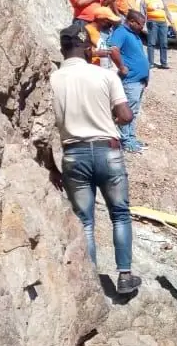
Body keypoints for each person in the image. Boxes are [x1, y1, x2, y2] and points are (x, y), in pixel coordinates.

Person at [49, 26, 140, 295]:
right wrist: (107, 119)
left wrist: (51, 166)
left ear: (62, 49)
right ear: (89, 48)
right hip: (107, 150)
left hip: (73, 154)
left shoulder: (53, 80)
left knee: (84, 220)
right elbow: (125, 115)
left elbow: (45, 127)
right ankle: (124, 275)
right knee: (120, 214)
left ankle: (90, 281)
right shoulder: (104, 75)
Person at [107, 10, 150, 153]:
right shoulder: (121, 32)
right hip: (130, 80)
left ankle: (131, 138)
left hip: (139, 80)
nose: (142, 27)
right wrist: (121, 66)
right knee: (127, 112)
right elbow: (113, 49)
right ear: (131, 22)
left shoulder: (135, 35)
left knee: (134, 111)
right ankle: (126, 141)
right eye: (140, 24)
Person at [138, 0, 174, 69]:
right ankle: (150, 63)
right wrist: (143, 25)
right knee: (151, 43)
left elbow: (166, 10)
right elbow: (142, 13)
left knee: (164, 43)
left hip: (163, 23)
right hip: (152, 22)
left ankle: (164, 63)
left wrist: (172, 22)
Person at [82, 7, 124, 72]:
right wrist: (96, 53)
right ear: (100, 20)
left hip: (103, 68)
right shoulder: (85, 30)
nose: (111, 23)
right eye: (109, 21)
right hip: (92, 70)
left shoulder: (102, 32)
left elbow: (107, 46)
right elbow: (79, 51)